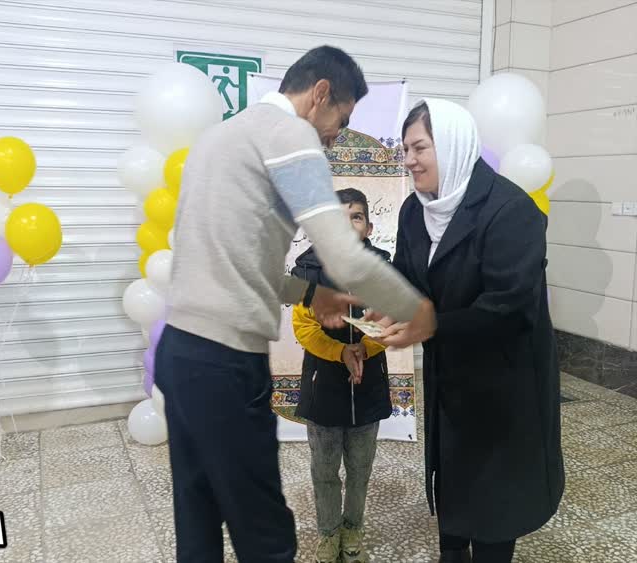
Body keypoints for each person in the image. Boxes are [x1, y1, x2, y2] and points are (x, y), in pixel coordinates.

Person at [154, 46, 436, 563]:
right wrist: (416, 309)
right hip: (225, 362)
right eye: (341, 120)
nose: (336, 136)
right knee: (265, 532)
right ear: (320, 94)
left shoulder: (219, 138)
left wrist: (309, 292)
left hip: (179, 353)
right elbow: (344, 257)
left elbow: (237, 260)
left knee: (197, 514)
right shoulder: (290, 135)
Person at [388, 99, 564, 563]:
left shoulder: (511, 210)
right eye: (405, 149)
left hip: (504, 382)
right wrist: (380, 301)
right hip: (449, 375)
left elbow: (508, 308)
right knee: (451, 476)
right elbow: (407, 277)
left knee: (494, 497)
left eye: (419, 147)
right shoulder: (415, 211)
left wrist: (430, 324)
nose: (409, 160)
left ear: (451, 144)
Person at [290, 188, 392, 563]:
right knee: (324, 469)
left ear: (369, 228)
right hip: (324, 386)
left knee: (360, 468)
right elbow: (304, 328)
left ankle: (353, 530)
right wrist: (340, 352)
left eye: (356, 217)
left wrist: (364, 348)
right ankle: (329, 533)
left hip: (368, 382)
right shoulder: (307, 272)